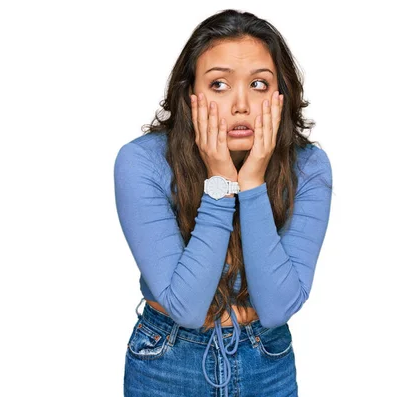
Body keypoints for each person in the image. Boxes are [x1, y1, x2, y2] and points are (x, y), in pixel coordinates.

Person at [114, 9, 333, 397]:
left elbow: (278, 307)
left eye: (260, 85)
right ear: (190, 94)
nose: (241, 105)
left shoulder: (310, 167)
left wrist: (251, 185)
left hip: (266, 359)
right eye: (219, 84)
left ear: (281, 94)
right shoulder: (141, 162)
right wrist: (219, 183)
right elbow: (187, 307)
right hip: (168, 363)